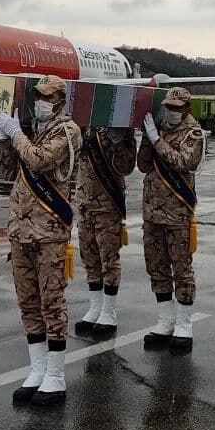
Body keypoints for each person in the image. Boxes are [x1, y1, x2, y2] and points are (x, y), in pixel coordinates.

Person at [0, 75, 83, 407]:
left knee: (51, 302)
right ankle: (37, 369)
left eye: (47, 96)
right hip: (21, 230)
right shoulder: (32, 132)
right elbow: (6, 171)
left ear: (60, 99)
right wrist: (4, 139)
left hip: (49, 232)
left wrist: (16, 134)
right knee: (28, 302)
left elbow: (40, 160)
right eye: (38, 96)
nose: (40, 101)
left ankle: (56, 376)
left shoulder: (68, 131)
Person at [138, 86, 206, 353]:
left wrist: (156, 140)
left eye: (177, 108)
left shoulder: (194, 133)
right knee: (156, 265)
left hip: (177, 211)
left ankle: (184, 324)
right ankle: (165, 320)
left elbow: (183, 161)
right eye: (168, 106)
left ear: (186, 108)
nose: (171, 111)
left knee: (181, 267)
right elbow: (143, 165)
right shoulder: (160, 128)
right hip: (152, 210)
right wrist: (147, 137)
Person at [74, 125, 138, 339]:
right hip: (85, 203)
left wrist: (118, 141)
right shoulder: (85, 127)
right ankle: (95, 307)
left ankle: (109, 311)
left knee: (108, 259)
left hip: (107, 204)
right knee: (89, 257)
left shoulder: (121, 129)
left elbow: (127, 167)